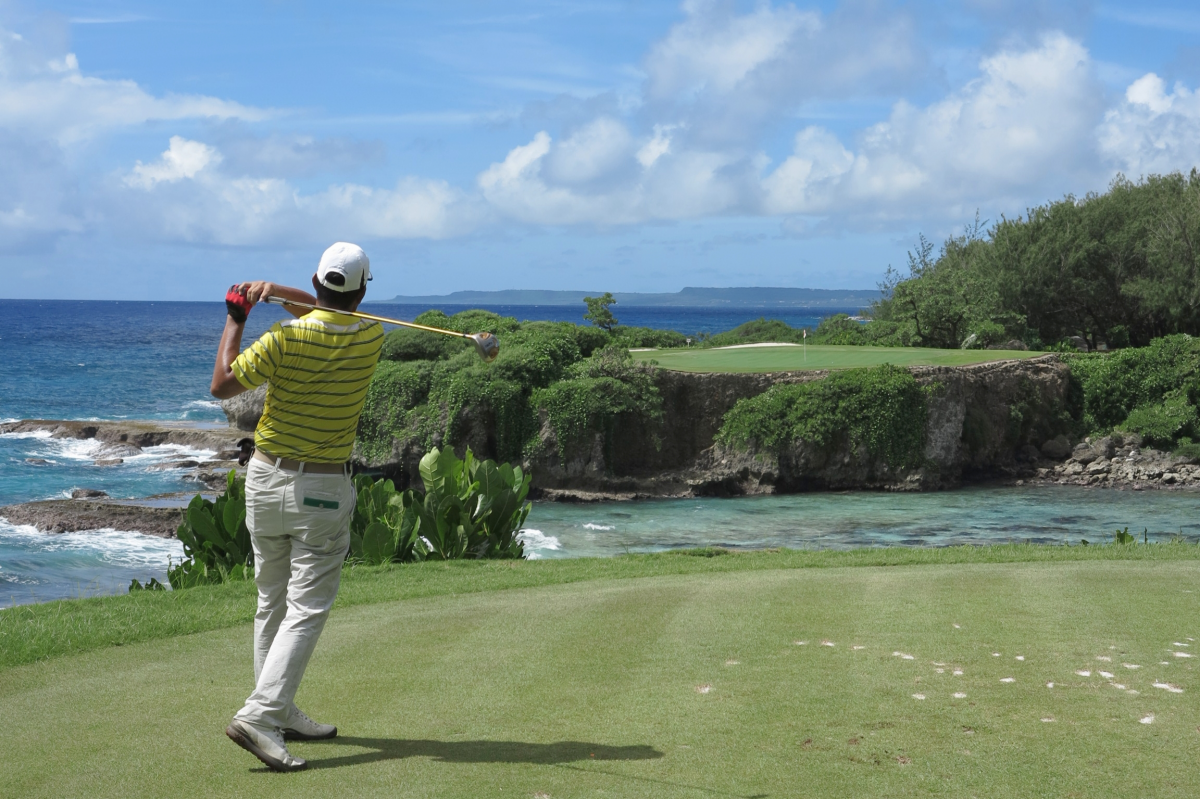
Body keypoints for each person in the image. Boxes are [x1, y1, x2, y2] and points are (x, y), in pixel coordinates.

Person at [210, 242, 384, 772]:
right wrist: (279, 292)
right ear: (362, 290)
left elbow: (221, 384)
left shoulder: (283, 338)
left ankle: (278, 712)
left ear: (315, 280)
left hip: (265, 480)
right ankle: (261, 716)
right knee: (303, 609)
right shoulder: (372, 334)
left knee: (273, 603)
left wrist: (237, 318)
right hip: (322, 491)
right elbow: (326, 312)